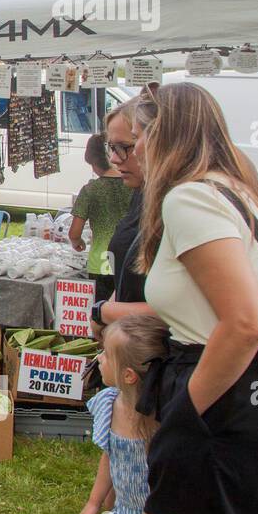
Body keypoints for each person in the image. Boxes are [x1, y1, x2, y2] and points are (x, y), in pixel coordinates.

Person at [116, 82, 258, 514]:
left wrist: (186, 415)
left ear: (160, 134)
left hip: (225, 406)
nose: (135, 153)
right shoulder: (236, 190)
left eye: (136, 139)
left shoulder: (190, 197)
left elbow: (243, 322)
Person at [57, 314, 167, 514]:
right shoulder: (109, 404)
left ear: (128, 375)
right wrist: (94, 503)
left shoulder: (162, 423)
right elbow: (110, 456)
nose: (99, 359)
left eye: (105, 354)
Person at [92, 97, 159, 336]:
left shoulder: (179, 205)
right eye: (111, 147)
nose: (114, 158)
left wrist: (104, 312)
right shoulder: (143, 195)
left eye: (124, 147)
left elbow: (183, 311)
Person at [69, 132, 132, 301]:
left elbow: (74, 232)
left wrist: (78, 243)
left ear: (94, 163)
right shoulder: (134, 186)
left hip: (100, 263)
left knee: (102, 314)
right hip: (130, 260)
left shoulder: (90, 190)